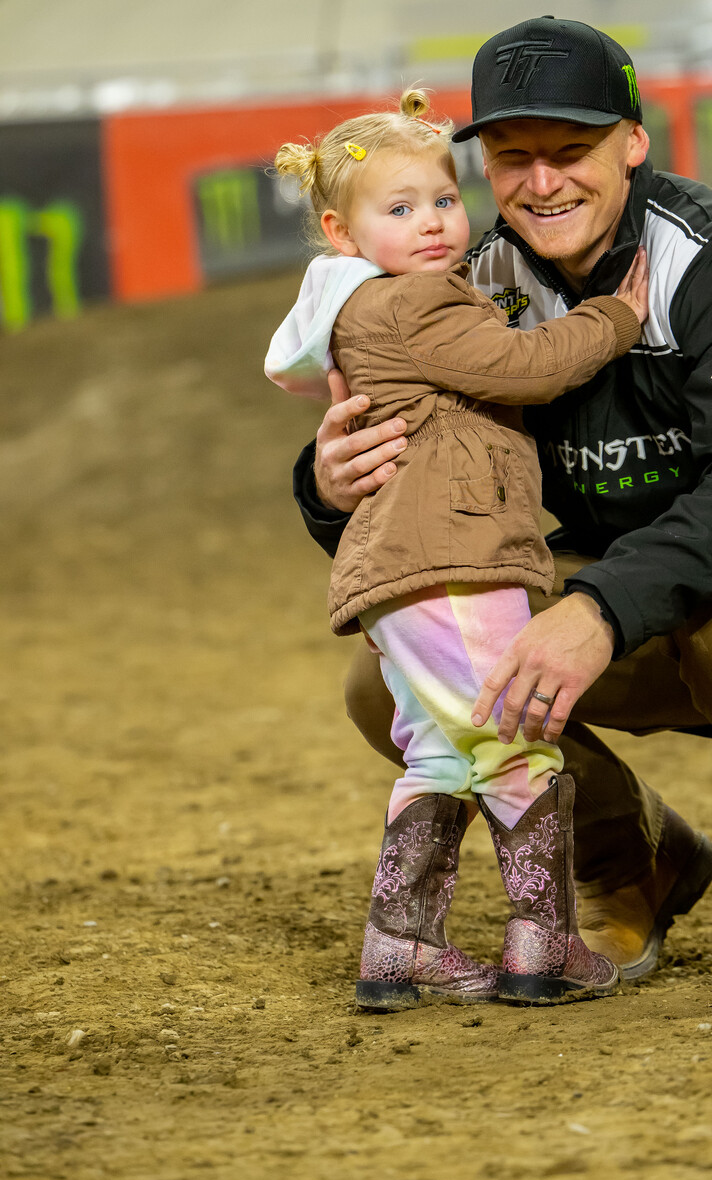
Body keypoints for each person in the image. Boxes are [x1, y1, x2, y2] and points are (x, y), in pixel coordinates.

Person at [295, 19, 712, 990]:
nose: (541, 183)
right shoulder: (473, 285)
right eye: (514, 158)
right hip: (620, 570)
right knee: (393, 675)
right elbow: (430, 493)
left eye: (571, 152)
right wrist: (326, 486)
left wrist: (600, 608)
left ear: (631, 142)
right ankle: (626, 862)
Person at [265, 89, 651, 1010]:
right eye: (398, 210)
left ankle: (402, 949)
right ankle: (543, 945)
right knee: (516, 743)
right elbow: (525, 365)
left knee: (439, 754)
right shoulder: (417, 302)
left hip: (403, 570)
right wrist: (612, 319)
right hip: (456, 559)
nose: (434, 224)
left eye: (442, 200)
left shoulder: (356, 305)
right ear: (341, 230)